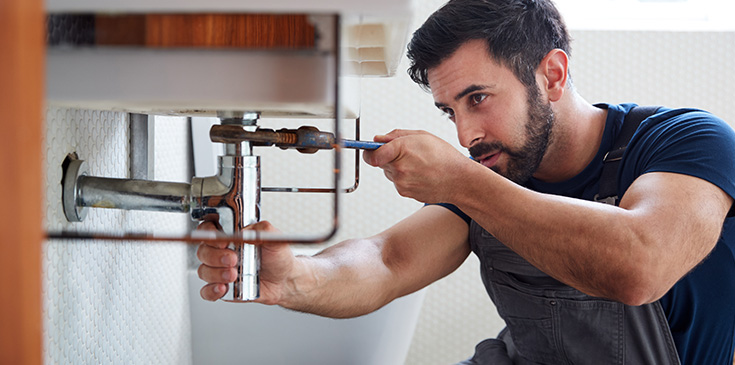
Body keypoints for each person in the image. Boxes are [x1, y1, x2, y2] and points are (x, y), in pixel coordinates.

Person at [196, 0, 735, 363]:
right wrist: (296, 277)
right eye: (449, 112)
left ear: (552, 74)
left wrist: (461, 182)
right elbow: (388, 260)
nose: (467, 134)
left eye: (478, 98)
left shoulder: (686, 142)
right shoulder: (493, 172)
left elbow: (640, 265)